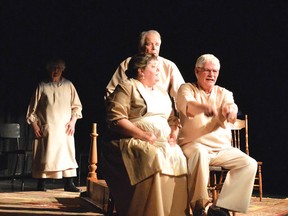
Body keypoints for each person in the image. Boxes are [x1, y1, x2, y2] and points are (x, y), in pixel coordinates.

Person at [102, 53, 188, 216]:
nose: (158, 71)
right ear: (141, 71)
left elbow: (172, 119)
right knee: (153, 157)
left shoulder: (162, 92)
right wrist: (142, 134)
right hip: (128, 140)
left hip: (161, 141)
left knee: (178, 157)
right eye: (154, 68)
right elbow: (116, 118)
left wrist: (173, 134)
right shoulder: (128, 86)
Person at [176, 54, 257, 216]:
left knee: (249, 163)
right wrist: (205, 108)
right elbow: (189, 107)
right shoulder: (186, 88)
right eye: (207, 70)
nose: (211, 75)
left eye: (215, 71)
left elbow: (232, 109)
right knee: (199, 154)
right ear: (197, 71)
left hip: (221, 148)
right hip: (194, 145)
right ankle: (200, 207)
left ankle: (221, 207)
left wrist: (231, 112)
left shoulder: (225, 93)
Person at [26, 58, 82, 192]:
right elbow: (31, 110)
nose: (55, 71)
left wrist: (73, 122)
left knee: (67, 154)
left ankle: (69, 183)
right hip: (48, 127)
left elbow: (77, 107)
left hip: (65, 128)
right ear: (48, 70)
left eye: (58, 68)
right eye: (52, 68)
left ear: (62, 69)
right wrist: (34, 125)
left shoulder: (69, 85)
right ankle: (41, 183)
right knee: (46, 155)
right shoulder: (42, 86)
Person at [105, 29, 185, 102]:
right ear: (141, 47)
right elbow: (111, 92)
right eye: (149, 44)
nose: (154, 48)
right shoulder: (128, 63)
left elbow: (181, 94)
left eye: (157, 44)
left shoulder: (169, 66)